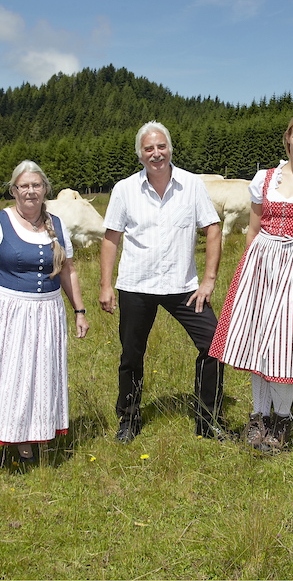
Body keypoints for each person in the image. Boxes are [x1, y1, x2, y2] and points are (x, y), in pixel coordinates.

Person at [209, 113, 293, 452]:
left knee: (285, 343)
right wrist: (244, 278)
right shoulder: (264, 178)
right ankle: (258, 417)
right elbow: (252, 231)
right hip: (261, 264)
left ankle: (281, 420)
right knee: (257, 342)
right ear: (287, 138)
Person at [0, 161, 88, 473]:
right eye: (23, 186)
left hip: (47, 313)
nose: (30, 191)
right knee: (1, 377)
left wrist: (79, 311)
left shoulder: (56, 223)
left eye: (36, 185)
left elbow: (68, 270)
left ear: (45, 190)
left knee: (37, 375)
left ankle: (26, 440)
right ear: (14, 190)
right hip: (7, 311)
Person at [99, 121, 225, 442]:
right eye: (148, 149)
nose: (156, 153)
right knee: (131, 354)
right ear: (140, 155)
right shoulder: (125, 189)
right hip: (136, 285)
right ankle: (129, 419)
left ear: (170, 148)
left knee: (214, 345)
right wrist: (104, 284)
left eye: (161, 147)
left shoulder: (192, 184)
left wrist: (209, 279)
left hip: (183, 286)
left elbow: (212, 228)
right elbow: (111, 238)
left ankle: (207, 420)